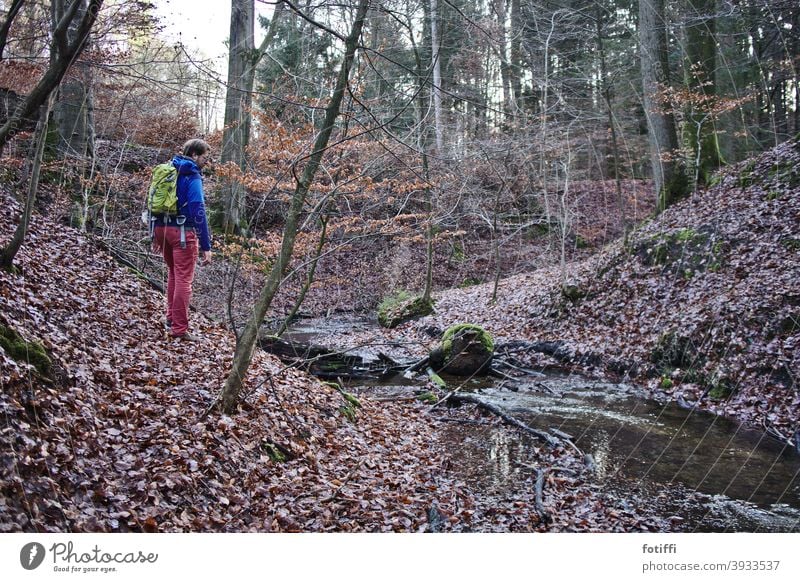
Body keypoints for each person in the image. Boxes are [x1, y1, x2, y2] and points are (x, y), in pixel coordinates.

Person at [152, 138, 213, 341]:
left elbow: (153, 201)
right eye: (205, 157)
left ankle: (171, 318)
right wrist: (206, 244)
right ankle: (179, 329)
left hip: (162, 228)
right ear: (194, 155)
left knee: (174, 274)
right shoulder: (192, 175)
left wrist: (155, 235)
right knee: (184, 280)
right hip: (182, 233)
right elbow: (198, 209)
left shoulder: (169, 169)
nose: (207, 161)